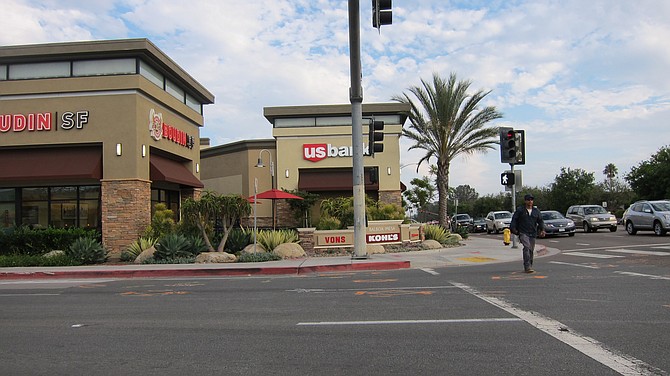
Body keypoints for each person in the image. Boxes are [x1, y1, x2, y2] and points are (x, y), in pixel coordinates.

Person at [510, 194, 546, 273]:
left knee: (531, 250)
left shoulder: (536, 211)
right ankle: (527, 267)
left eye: (531, 200)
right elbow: (514, 220)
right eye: (528, 200)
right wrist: (513, 229)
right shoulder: (520, 210)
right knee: (526, 247)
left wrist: (542, 230)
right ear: (525, 201)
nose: (530, 202)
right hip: (523, 232)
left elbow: (540, 221)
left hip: (532, 233)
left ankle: (530, 265)